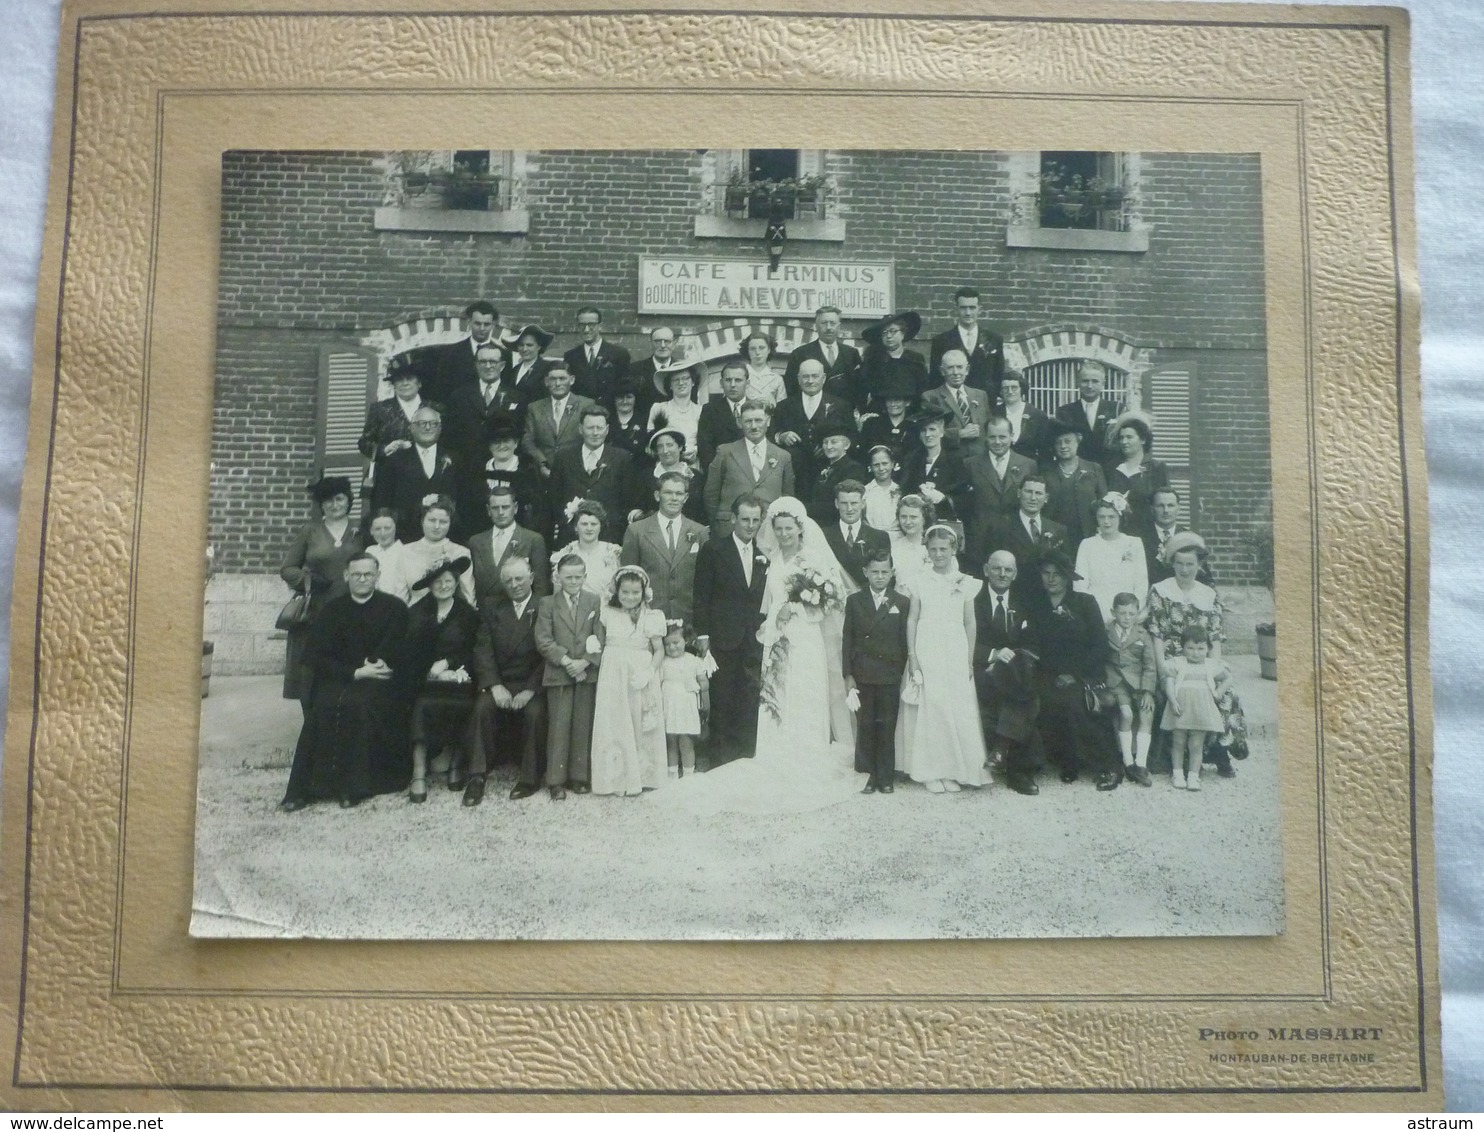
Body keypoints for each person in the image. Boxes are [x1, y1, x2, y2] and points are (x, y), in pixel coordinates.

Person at [656, 497, 863, 814]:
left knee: (804, 694)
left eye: (788, 528)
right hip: (771, 638)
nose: (782, 533)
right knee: (772, 695)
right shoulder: (772, 557)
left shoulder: (813, 559)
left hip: (805, 638)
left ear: (800, 528)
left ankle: (806, 758)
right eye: (778, 528)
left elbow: (830, 602)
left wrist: (794, 607)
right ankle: (770, 755)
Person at [280, 552, 411, 810]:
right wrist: (353, 672)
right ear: (346, 576)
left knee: (358, 706)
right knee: (322, 708)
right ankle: (304, 790)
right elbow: (315, 656)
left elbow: (399, 646)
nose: (362, 579)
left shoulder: (394, 607)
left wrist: (381, 663)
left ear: (378, 576)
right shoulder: (332, 609)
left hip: (379, 680)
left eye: (368, 574)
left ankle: (353, 787)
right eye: (357, 574)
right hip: (341, 677)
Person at [1144, 533, 1248, 777]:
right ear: (1172, 564)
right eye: (1179, 563)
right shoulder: (1160, 590)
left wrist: (1211, 668)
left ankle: (1221, 753)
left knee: (1226, 693)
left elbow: (1215, 637)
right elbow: (1156, 634)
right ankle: (1183, 759)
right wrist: (1162, 669)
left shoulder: (1208, 594)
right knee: (1182, 691)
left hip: (1202, 658)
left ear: (1199, 565)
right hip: (1173, 658)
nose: (1184, 569)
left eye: (1190, 563)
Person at [901, 525, 991, 793]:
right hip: (927, 646)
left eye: (943, 549)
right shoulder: (918, 580)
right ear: (926, 552)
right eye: (933, 550)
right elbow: (912, 619)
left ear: (954, 549)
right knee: (933, 706)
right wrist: (913, 655)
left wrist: (969, 659)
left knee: (956, 707)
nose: (938, 554)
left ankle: (953, 769)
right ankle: (930, 771)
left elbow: (970, 622)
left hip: (955, 647)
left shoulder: (965, 582)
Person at [1026, 550, 1121, 791]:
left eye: (1057, 574)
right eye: (1046, 573)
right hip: (1048, 671)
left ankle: (1107, 766)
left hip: (1083, 671)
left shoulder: (1085, 603)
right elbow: (1033, 644)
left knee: (1074, 701)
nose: (1051, 579)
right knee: (1039, 698)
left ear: (1068, 577)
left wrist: (1076, 675)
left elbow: (1100, 645)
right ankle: (1063, 761)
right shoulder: (1036, 605)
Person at [691, 493, 769, 769]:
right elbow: (701, 596)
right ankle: (720, 760)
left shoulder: (764, 556)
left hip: (754, 639)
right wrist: (703, 637)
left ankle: (745, 759)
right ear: (733, 518)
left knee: (749, 698)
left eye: (755, 520)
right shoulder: (714, 550)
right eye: (745, 519)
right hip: (723, 637)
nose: (750, 525)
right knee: (722, 699)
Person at [278, 475, 366, 711]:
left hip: (353, 612)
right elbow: (287, 568)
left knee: (347, 672)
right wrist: (307, 580)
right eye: (328, 501)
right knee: (312, 676)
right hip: (316, 613)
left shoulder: (360, 530)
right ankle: (313, 731)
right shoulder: (311, 531)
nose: (335, 505)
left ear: (348, 501)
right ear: (321, 504)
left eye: (339, 499)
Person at [465, 556, 546, 807]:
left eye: (519, 578)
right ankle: (477, 776)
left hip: (532, 683)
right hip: (501, 681)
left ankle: (529, 778)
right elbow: (483, 650)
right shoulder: (492, 607)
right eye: (508, 580)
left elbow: (548, 655)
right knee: (482, 708)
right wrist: (494, 684)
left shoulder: (546, 605)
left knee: (534, 714)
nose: (515, 584)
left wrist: (531, 689)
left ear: (531, 578)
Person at [402, 556, 479, 803]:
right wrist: (429, 669)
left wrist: (449, 664)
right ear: (430, 585)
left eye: (448, 581)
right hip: (423, 678)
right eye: (438, 581)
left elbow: (472, 649)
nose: (443, 586)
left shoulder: (467, 613)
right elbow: (409, 651)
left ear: (456, 583)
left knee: (464, 704)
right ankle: (418, 772)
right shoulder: (416, 612)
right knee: (421, 705)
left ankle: (457, 763)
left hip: (458, 676)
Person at [589, 565, 669, 796]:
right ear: (617, 592)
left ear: (644, 593)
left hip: (640, 673)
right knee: (614, 718)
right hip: (613, 671)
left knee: (639, 718)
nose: (630, 597)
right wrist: (593, 643)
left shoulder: (651, 617)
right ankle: (614, 778)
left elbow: (659, 650)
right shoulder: (608, 613)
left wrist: (649, 672)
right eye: (625, 592)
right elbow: (601, 639)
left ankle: (643, 776)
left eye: (635, 593)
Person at [534, 554, 603, 800]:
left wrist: (585, 661)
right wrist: (567, 661)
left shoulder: (594, 601)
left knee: (583, 724)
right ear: (558, 577)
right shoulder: (547, 603)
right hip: (559, 672)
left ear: (585, 577)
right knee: (559, 726)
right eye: (568, 577)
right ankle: (555, 779)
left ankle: (579, 776)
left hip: (586, 672)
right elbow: (543, 640)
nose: (573, 581)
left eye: (578, 576)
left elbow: (600, 636)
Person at [974, 550, 1041, 796]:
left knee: (1022, 690)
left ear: (1015, 574)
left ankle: (1001, 750)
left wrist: (1006, 664)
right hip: (981, 670)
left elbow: (1033, 644)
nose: (1002, 574)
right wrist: (991, 655)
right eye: (997, 568)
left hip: (1015, 672)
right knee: (1027, 698)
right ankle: (1018, 772)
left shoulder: (1025, 602)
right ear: (985, 570)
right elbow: (961, 638)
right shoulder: (972, 598)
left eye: (1008, 570)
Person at [842, 548, 910, 794]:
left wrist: (903, 671)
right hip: (863, 673)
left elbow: (905, 640)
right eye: (874, 572)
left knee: (887, 725)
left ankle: (885, 775)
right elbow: (847, 640)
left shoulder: (901, 602)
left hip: (889, 673)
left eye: (884, 572)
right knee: (866, 724)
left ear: (892, 573)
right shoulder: (854, 601)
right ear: (865, 573)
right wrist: (848, 674)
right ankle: (866, 774)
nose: (880, 577)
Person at [620, 471, 709, 622]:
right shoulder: (636, 531)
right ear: (657, 495)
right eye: (668, 493)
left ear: (686, 498)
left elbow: (705, 582)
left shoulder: (699, 532)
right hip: (648, 616)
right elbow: (628, 578)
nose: (674, 498)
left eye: (679, 494)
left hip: (687, 618)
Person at [547, 405, 643, 545]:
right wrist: (563, 522)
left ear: (607, 430)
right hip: (570, 536)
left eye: (599, 428)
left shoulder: (622, 458)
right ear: (581, 429)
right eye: (590, 428)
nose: (595, 433)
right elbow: (553, 497)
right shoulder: (564, 457)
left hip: (610, 537)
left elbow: (628, 499)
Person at [702, 400, 795, 539]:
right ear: (740, 423)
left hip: (769, 531)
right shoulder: (725, 452)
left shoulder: (783, 456)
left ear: (768, 421)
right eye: (748, 421)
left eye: (758, 420)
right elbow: (711, 494)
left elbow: (788, 498)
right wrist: (717, 526)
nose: (754, 426)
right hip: (730, 529)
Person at [371, 403, 463, 544]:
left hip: (447, 538)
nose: (427, 427)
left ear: (440, 428)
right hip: (406, 537)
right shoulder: (393, 461)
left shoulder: (455, 459)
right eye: (422, 423)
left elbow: (463, 501)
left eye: (433, 423)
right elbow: (383, 502)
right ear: (412, 428)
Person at [445, 344, 527, 501]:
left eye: (493, 362)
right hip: (467, 472)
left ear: (502, 365)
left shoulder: (517, 397)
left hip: (504, 470)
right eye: (483, 362)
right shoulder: (459, 396)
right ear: (476, 365)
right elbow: (450, 436)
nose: (488, 366)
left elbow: (521, 435)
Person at [1159, 625, 1231, 791]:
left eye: (1200, 648)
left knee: (1196, 744)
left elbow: (1228, 678)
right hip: (1180, 708)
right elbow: (1169, 684)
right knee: (1178, 742)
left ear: (1207, 648)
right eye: (1190, 648)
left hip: (1201, 710)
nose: (1195, 652)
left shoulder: (1211, 665)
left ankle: (1193, 776)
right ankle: (1177, 774)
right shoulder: (1177, 663)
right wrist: (1172, 701)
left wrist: (1219, 692)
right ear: (1183, 647)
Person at [771, 358, 856, 491]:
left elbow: (852, 437)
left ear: (823, 378)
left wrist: (832, 447)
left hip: (829, 476)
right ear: (798, 379)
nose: (810, 381)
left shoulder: (841, 405)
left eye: (815, 376)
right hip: (794, 477)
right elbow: (770, 433)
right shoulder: (784, 406)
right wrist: (781, 436)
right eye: (805, 376)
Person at [962, 416, 1037, 567]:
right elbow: (964, 504)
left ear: (1012, 436)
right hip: (981, 538)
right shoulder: (970, 465)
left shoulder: (1028, 464)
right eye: (992, 437)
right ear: (986, 438)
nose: (997, 442)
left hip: (1017, 537)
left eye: (1002, 437)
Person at [1103, 591, 1158, 787]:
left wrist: (1148, 692)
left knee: (1146, 713)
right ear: (1113, 612)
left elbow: (1150, 666)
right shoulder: (1105, 631)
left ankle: (1140, 764)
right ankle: (1127, 761)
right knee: (1125, 714)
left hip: (1139, 684)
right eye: (1122, 613)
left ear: (1137, 614)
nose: (1127, 618)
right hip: (1117, 683)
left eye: (1131, 614)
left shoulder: (1143, 634)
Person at [988, 475, 1070, 604]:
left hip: (1048, 600)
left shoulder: (1058, 530)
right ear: (1019, 493)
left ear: (1046, 498)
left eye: (1038, 493)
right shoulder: (1001, 527)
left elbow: (1065, 570)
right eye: (1028, 492)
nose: (1033, 498)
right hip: (1014, 598)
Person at [468, 485, 549, 610]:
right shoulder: (476, 542)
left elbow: (540, 587)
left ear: (515, 508)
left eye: (505, 507)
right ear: (488, 510)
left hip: (518, 614)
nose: (500, 513)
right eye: (495, 508)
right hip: (484, 615)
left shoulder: (532, 539)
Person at [464, 411, 544, 538]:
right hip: (484, 535)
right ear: (489, 445)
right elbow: (470, 509)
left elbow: (537, 511)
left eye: (506, 440)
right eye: (496, 441)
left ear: (516, 443)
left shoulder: (527, 469)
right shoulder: (478, 471)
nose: (501, 446)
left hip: (520, 534)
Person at [1074, 494, 1150, 619]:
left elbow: (1141, 584)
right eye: (1101, 517)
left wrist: (1128, 614)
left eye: (1111, 517)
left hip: (1128, 615)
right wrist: (1096, 613)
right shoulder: (1087, 544)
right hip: (1095, 613)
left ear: (1120, 517)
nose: (1106, 522)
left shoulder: (1134, 543)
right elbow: (1080, 585)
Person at [1104, 411, 1172, 541]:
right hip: (1117, 534)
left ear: (1143, 439)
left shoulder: (1156, 468)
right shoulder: (1111, 469)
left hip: (1147, 534)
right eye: (1121, 437)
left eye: (1129, 437)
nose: (1124, 442)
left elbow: (1164, 501)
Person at [521, 364, 597, 481]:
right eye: (553, 379)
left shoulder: (586, 405)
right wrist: (542, 463)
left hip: (576, 469)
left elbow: (592, 436)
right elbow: (527, 440)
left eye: (562, 378)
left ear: (571, 380)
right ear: (546, 381)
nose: (557, 384)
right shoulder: (535, 408)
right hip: (543, 472)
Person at [357, 355, 424, 487]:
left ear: (419, 383)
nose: (405, 383)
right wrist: (385, 448)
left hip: (424, 475)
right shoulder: (380, 409)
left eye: (410, 378)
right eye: (399, 379)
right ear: (393, 384)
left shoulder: (434, 408)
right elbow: (364, 442)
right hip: (389, 477)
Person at [427, 299, 507, 406]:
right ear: (469, 322)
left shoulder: (504, 354)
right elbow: (442, 391)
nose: (482, 328)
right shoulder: (450, 353)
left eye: (486, 324)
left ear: (493, 325)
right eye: (477, 323)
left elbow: (506, 389)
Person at [1040, 418, 1107, 545]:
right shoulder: (1046, 471)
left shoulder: (1093, 468)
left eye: (1068, 441)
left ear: (1078, 441)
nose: (1063, 446)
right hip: (1054, 535)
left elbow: (1104, 502)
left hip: (1088, 535)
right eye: (1058, 443)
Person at [658, 620, 711, 780]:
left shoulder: (693, 660)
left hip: (686, 707)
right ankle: (671, 773)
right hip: (668, 706)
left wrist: (705, 703)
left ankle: (688, 774)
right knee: (670, 742)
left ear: (686, 641)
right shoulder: (662, 662)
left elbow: (704, 683)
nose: (672, 647)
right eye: (667, 644)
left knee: (687, 742)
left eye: (676, 642)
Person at [928, 286, 1004, 395]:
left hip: (985, 405)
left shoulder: (994, 339)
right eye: (963, 308)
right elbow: (935, 379)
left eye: (972, 307)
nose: (968, 313)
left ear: (979, 309)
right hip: (953, 405)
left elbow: (998, 376)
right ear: (956, 309)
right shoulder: (941, 341)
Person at [401, 497, 475, 607]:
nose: (437, 526)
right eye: (432, 520)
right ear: (422, 521)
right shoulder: (405, 551)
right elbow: (400, 594)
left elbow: (468, 595)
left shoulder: (461, 552)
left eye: (443, 522)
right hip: (414, 616)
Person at [899, 409, 966, 528]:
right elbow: (905, 491)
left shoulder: (955, 461)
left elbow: (965, 497)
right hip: (916, 526)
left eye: (932, 429)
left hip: (945, 523)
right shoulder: (912, 461)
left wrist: (943, 499)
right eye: (923, 430)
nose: (928, 435)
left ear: (941, 432)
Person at [921, 349, 992, 460]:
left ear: (967, 369)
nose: (955, 372)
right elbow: (928, 433)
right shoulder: (931, 397)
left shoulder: (980, 395)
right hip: (950, 460)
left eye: (959, 367)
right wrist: (960, 434)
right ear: (942, 371)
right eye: (950, 368)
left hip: (980, 461)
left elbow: (989, 429)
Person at [822, 478, 892, 591]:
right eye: (844, 503)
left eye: (854, 503)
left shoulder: (879, 537)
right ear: (836, 504)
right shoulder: (824, 535)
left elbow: (884, 576)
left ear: (863, 503)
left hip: (866, 604)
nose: (849, 509)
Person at [782, 304, 861, 402]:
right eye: (824, 323)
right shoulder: (800, 354)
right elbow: (791, 388)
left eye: (832, 323)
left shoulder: (851, 353)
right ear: (816, 326)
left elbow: (858, 388)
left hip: (843, 413)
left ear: (839, 326)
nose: (828, 327)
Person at [549, 498, 623, 600]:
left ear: (600, 527)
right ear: (575, 527)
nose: (589, 528)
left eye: (594, 524)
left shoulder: (613, 552)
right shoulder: (565, 554)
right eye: (584, 524)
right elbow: (557, 597)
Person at [1053, 361, 1122, 466]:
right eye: (1085, 381)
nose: (1090, 386)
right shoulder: (1065, 411)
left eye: (1095, 381)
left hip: (1110, 470)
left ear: (1103, 383)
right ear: (1078, 383)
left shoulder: (1117, 409)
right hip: (1079, 471)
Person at [858, 311, 929, 411]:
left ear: (903, 333)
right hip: (880, 413)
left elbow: (923, 389)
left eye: (893, 331)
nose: (889, 336)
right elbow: (863, 391)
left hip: (911, 412)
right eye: (884, 333)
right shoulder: (873, 360)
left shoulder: (915, 359)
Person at [636, 427, 707, 524]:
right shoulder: (646, 476)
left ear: (680, 446)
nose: (665, 451)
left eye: (670, 445)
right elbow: (636, 508)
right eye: (660, 446)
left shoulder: (696, 476)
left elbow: (702, 511)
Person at [563, 306, 632, 403]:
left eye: (591, 324)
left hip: (609, 412)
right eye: (582, 325)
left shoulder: (619, 354)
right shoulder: (571, 356)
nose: (586, 329)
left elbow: (625, 387)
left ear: (600, 326)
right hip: (581, 412)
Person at [808, 425, 868, 526]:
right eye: (825, 442)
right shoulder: (823, 467)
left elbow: (844, 503)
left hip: (837, 525)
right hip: (820, 523)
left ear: (846, 445)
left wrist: (806, 508)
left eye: (834, 442)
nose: (829, 446)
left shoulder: (853, 468)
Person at [646, 354, 705, 456]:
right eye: (676, 380)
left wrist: (695, 451)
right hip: (666, 462)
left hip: (693, 462)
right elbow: (651, 443)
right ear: (670, 385)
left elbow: (705, 442)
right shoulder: (659, 408)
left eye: (685, 378)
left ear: (693, 382)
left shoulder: (701, 411)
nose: (681, 383)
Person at [696, 360, 750, 471]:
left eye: (738, 380)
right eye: (728, 380)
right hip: (721, 474)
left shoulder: (757, 409)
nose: (733, 385)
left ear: (747, 383)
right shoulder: (710, 410)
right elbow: (705, 449)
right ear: (721, 383)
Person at [856, 371, 919, 460]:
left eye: (897, 400)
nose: (893, 404)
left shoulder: (914, 427)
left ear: (907, 402)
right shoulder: (872, 424)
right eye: (889, 400)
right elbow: (862, 454)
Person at [997, 369, 1053, 464]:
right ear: (1001, 391)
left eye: (1014, 387)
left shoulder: (1037, 415)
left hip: (1029, 468)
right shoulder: (994, 413)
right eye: (1005, 388)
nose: (1010, 391)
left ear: (1021, 389)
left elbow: (1045, 450)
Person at [889, 493, 935, 598]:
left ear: (924, 518)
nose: (908, 522)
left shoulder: (934, 547)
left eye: (913, 517)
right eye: (903, 517)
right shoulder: (894, 547)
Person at [365, 507, 413, 604]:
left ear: (395, 528)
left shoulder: (406, 552)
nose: (383, 533)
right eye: (377, 529)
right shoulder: (369, 552)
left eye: (387, 528)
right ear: (371, 531)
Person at [630, 325, 680, 416]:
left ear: (674, 344)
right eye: (657, 341)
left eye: (667, 341)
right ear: (651, 343)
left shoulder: (681, 370)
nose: (662, 345)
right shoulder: (635, 370)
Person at [504, 324, 559, 405]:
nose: (524, 349)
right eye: (521, 345)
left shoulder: (547, 368)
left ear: (539, 346)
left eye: (529, 345)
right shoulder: (514, 370)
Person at [606, 376, 650, 459]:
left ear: (635, 399)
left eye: (629, 397)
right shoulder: (606, 420)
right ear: (614, 399)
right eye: (620, 397)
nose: (625, 401)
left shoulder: (645, 421)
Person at [862, 446, 902, 535]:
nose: (881, 468)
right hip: (872, 539)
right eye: (876, 465)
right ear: (871, 467)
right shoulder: (864, 492)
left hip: (897, 539)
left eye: (885, 463)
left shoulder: (900, 490)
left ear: (892, 464)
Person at [739, 331, 786, 406]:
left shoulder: (777, 379)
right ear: (747, 351)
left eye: (762, 348)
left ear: (769, 350)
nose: (757, 352)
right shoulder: (739, 375)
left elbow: (783, 408)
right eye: (752, 348)